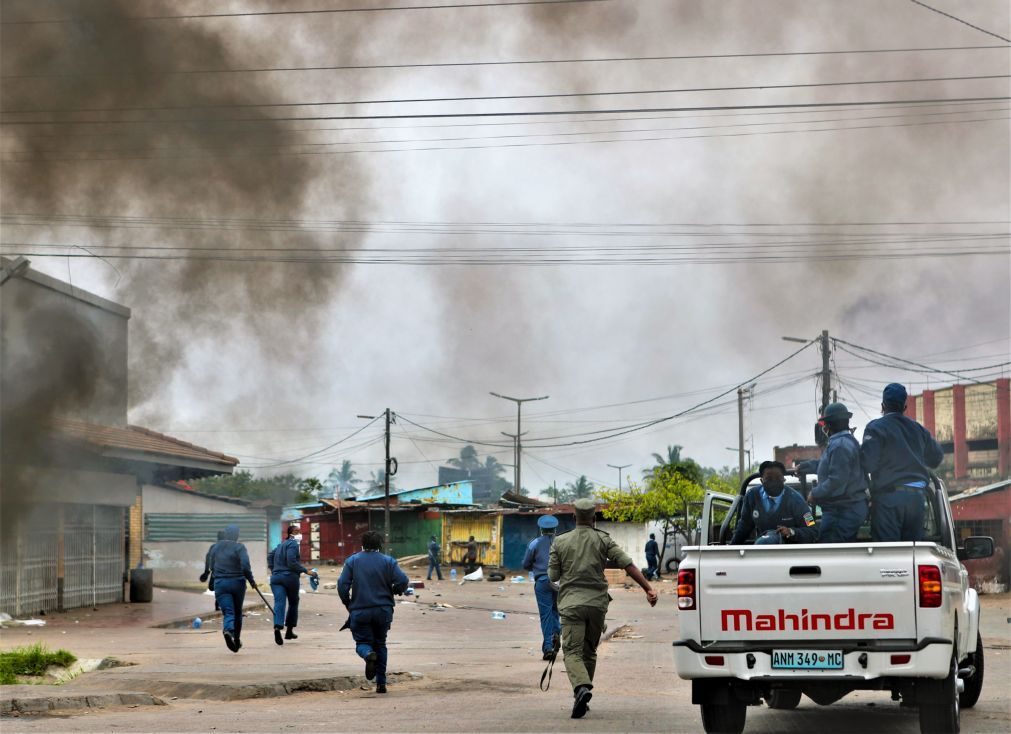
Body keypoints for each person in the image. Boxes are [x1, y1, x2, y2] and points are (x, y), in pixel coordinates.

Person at [548, 498, 658, 719]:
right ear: (594, 519)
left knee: (571, 651)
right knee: (589, 651)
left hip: (571, 604)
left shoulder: (560, 542)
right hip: (597, 605)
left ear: (573, 517)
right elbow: (629, 565)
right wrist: (649, 588)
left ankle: (580, 688)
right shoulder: (603, 540)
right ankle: (583, 693)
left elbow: (553, 576)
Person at [861, 383, 944, 542]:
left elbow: (868, 464)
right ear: (905, 406)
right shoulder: (918, 430)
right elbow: (936, 458)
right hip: (917, 501)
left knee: (888, 554)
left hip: (888, 500)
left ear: (883, 406)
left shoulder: (876, 428)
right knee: (911, 553)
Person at [337, 530, 409, 694]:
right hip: (383, 610)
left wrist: (348, 603)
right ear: (379, 545)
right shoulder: (388, 561)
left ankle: (368, 654)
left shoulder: (353, 561)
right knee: (381, 644)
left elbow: (342, 585)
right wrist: (397, 589)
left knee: (362, 643)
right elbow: (403, 581)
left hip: (360, 611)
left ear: (362, 544)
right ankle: (381, 684)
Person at [801, 403, 870, 543]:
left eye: (824, 423)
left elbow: (837, 480)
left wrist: (815, 493)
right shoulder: (843, 442)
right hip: (844, 509)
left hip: (842, 511)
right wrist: (806, 466)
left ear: (828, 425)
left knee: (831, 552)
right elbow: (830, 466)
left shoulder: (840, 446)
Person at [730, 460, 817, 545]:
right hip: (762, 546)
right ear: (762, 481)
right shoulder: (752, 496)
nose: (773, 482)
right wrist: (731, 549)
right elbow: (744, 526)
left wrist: (791, 532)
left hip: (789, 551)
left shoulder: (797, 500)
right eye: (769, 479)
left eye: (778, 478)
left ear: (783, 479)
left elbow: (812, 530)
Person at [267, 525, 318, 646]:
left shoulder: (280, 545)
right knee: (293, 602)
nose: (299, 534)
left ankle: (277, 627)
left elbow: (270, 556)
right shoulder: (293, 544)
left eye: (299, 531)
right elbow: (292, 562)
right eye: (296, 531)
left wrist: (274, 569)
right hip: (290, 578)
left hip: (276, 578)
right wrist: (307, 571)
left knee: (279, 602)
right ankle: (289, 630)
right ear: (290, 533)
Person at [211, 523, 258, 653]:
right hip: (237, 582)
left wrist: (217, 576)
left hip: (220, 583)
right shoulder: (240, 547)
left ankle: (228, 630)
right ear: (237, 535)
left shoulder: (216, 547)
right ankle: (236, 639)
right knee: (237, 612)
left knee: (228, 612)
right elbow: (245, 566)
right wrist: (251, 580)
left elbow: (211, 565)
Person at [522, 515, 561, 661]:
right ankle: (557, 631)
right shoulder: (561, 543)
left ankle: (548, 647)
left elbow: (526, 564)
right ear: (555, 529)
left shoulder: (535, 544)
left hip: (542, 581)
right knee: (556, 611)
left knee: (546, 615)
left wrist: (536, 565)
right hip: (559, 582)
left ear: (541, 529)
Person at [199, 529, 225, 609]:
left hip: (216, 572)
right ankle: (219, 603)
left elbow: (208, 558)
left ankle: (218, 603)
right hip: (223, 572)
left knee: (216, 587)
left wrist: (206, 571)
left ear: (217, 537)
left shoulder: (213, 547)